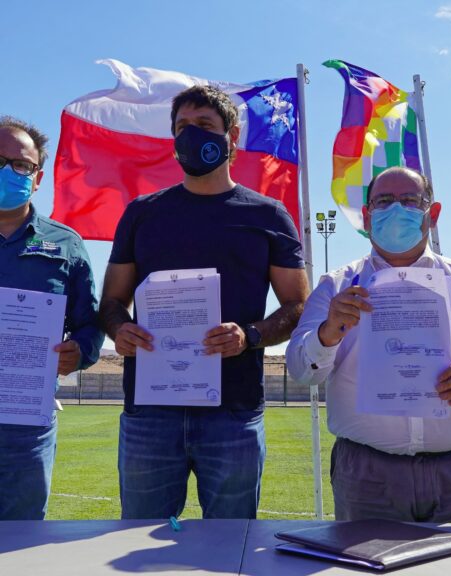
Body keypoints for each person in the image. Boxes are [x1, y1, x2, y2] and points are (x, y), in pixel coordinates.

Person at [99, 85, 309, 520]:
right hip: (150, 413)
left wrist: (250, 336)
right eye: (182, 128)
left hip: (232, 412)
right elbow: (112, 300)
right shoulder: (143, 213)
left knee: (231, 548)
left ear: (231, 137)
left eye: (204, 126)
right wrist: (119, 329)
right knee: (134, 539)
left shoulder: (268, 216)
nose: (191, 136)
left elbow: (298, 305)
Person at [287, 166, 451, 524]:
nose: (396, 210)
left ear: (432, 215)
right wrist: (327, 333)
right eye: (384, 201)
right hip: (367, 480)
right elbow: (299, 368)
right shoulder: (334, 286)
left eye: (409, 201)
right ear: (367, 217)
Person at [0, 116, 103, 520]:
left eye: (20, 164)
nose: (9, 171)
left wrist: (78, 351)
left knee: (21, 543)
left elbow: (91, 324)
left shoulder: (65, 244)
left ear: (37, 178)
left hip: (27, 425)